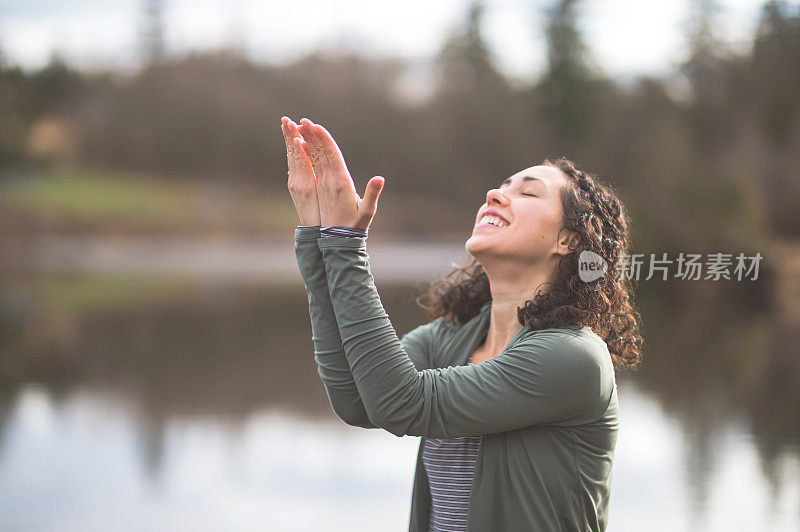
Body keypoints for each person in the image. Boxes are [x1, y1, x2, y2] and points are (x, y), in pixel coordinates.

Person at [281, 115, 644, 531]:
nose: (495, 194)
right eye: (500, 186)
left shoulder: (573, 357)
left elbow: (404, 402)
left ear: (568, 240)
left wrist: (346, 246)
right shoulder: (452, 337)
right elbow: (358, 402)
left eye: (527, 192)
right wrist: (317, 238)